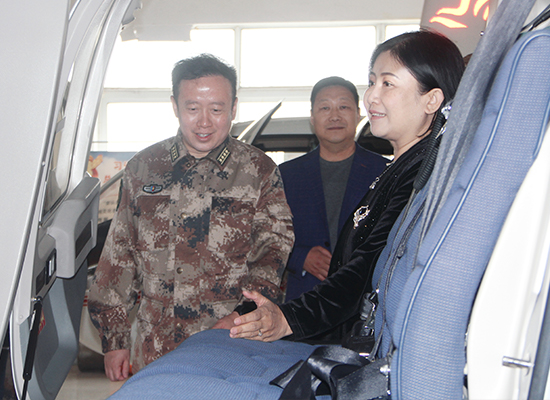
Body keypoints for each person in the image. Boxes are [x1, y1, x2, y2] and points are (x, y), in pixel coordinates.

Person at [107, 30, 465, 399]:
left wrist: (280, 317)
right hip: (160, 331)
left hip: (255, 324)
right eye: (372, 81)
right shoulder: (402, 171)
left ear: (432, 99)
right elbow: (119, 255)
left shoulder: (420, 176)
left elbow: (347, 270)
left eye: (387, 83)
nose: (371, 95)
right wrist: (113, 334)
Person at [88, 53, 295, 381]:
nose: (204, 122)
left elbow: (274, 251)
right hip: (156, 346)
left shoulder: (258, 171)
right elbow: (119, 254)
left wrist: (243, 314)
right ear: (175, 105)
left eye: (216, 109)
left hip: (231, 341)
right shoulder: (144, 167)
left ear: (234, 108)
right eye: (193, 108)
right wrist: (115, 339)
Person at [279, 76, 387, 301]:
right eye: (325, 107)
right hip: (304, 301)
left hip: (364, 299)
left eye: (344, 107)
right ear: (312, 117)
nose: (335, 116)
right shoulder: (285, 175)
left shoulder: (385, 171)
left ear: (358, 114)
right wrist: (300, 257)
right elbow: (264, 237)